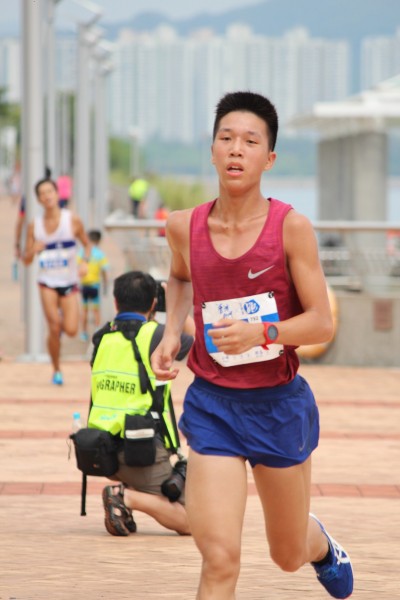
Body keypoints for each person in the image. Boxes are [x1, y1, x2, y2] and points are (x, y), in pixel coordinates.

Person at [151, 91, 354, 599]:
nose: (236, 149)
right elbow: (179, 277)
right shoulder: (183, 226)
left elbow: (321, 324)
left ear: (270, 158)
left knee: (286, 554)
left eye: (250, 141)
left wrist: (263, 333)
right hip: (213, 405)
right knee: (219, 559)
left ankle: (321, 546)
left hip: (277, 406)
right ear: (212, 151)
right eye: (226, 138)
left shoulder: (291, 228)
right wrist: (172, 332)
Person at [89, 270, 194, 536]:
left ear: (115, 302)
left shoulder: (101, 337)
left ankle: (125, 498)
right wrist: (176, 309)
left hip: (101, 449)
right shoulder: (157, 336)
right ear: (154, 303)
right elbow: (198, 340)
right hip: (140, 451)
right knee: (192, 521)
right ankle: (125, 498)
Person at [22, 178, 90, 385]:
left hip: (69, 281)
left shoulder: (72, 220)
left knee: (71, 329)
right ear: (38, 199)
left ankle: (60, 323)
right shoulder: (35, 225)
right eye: (42, 193)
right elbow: (26, 260)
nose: (47, 196)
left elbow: (87, 245)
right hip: (47, 282)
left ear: (57, 193)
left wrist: (85, 262)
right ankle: (56, 369)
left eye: (50, 191)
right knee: (53, 327)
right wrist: (33, 250)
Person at [77, 229, 109, 342]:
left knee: (84, 310)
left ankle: (83, 333)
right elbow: (104, 270)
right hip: (95, 285)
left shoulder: (82, 252)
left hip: (84, 285)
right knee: (96, 310)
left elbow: (77, 266)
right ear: (99, 241)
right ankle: (97, 331)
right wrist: (105, 284)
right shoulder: (100, 254)